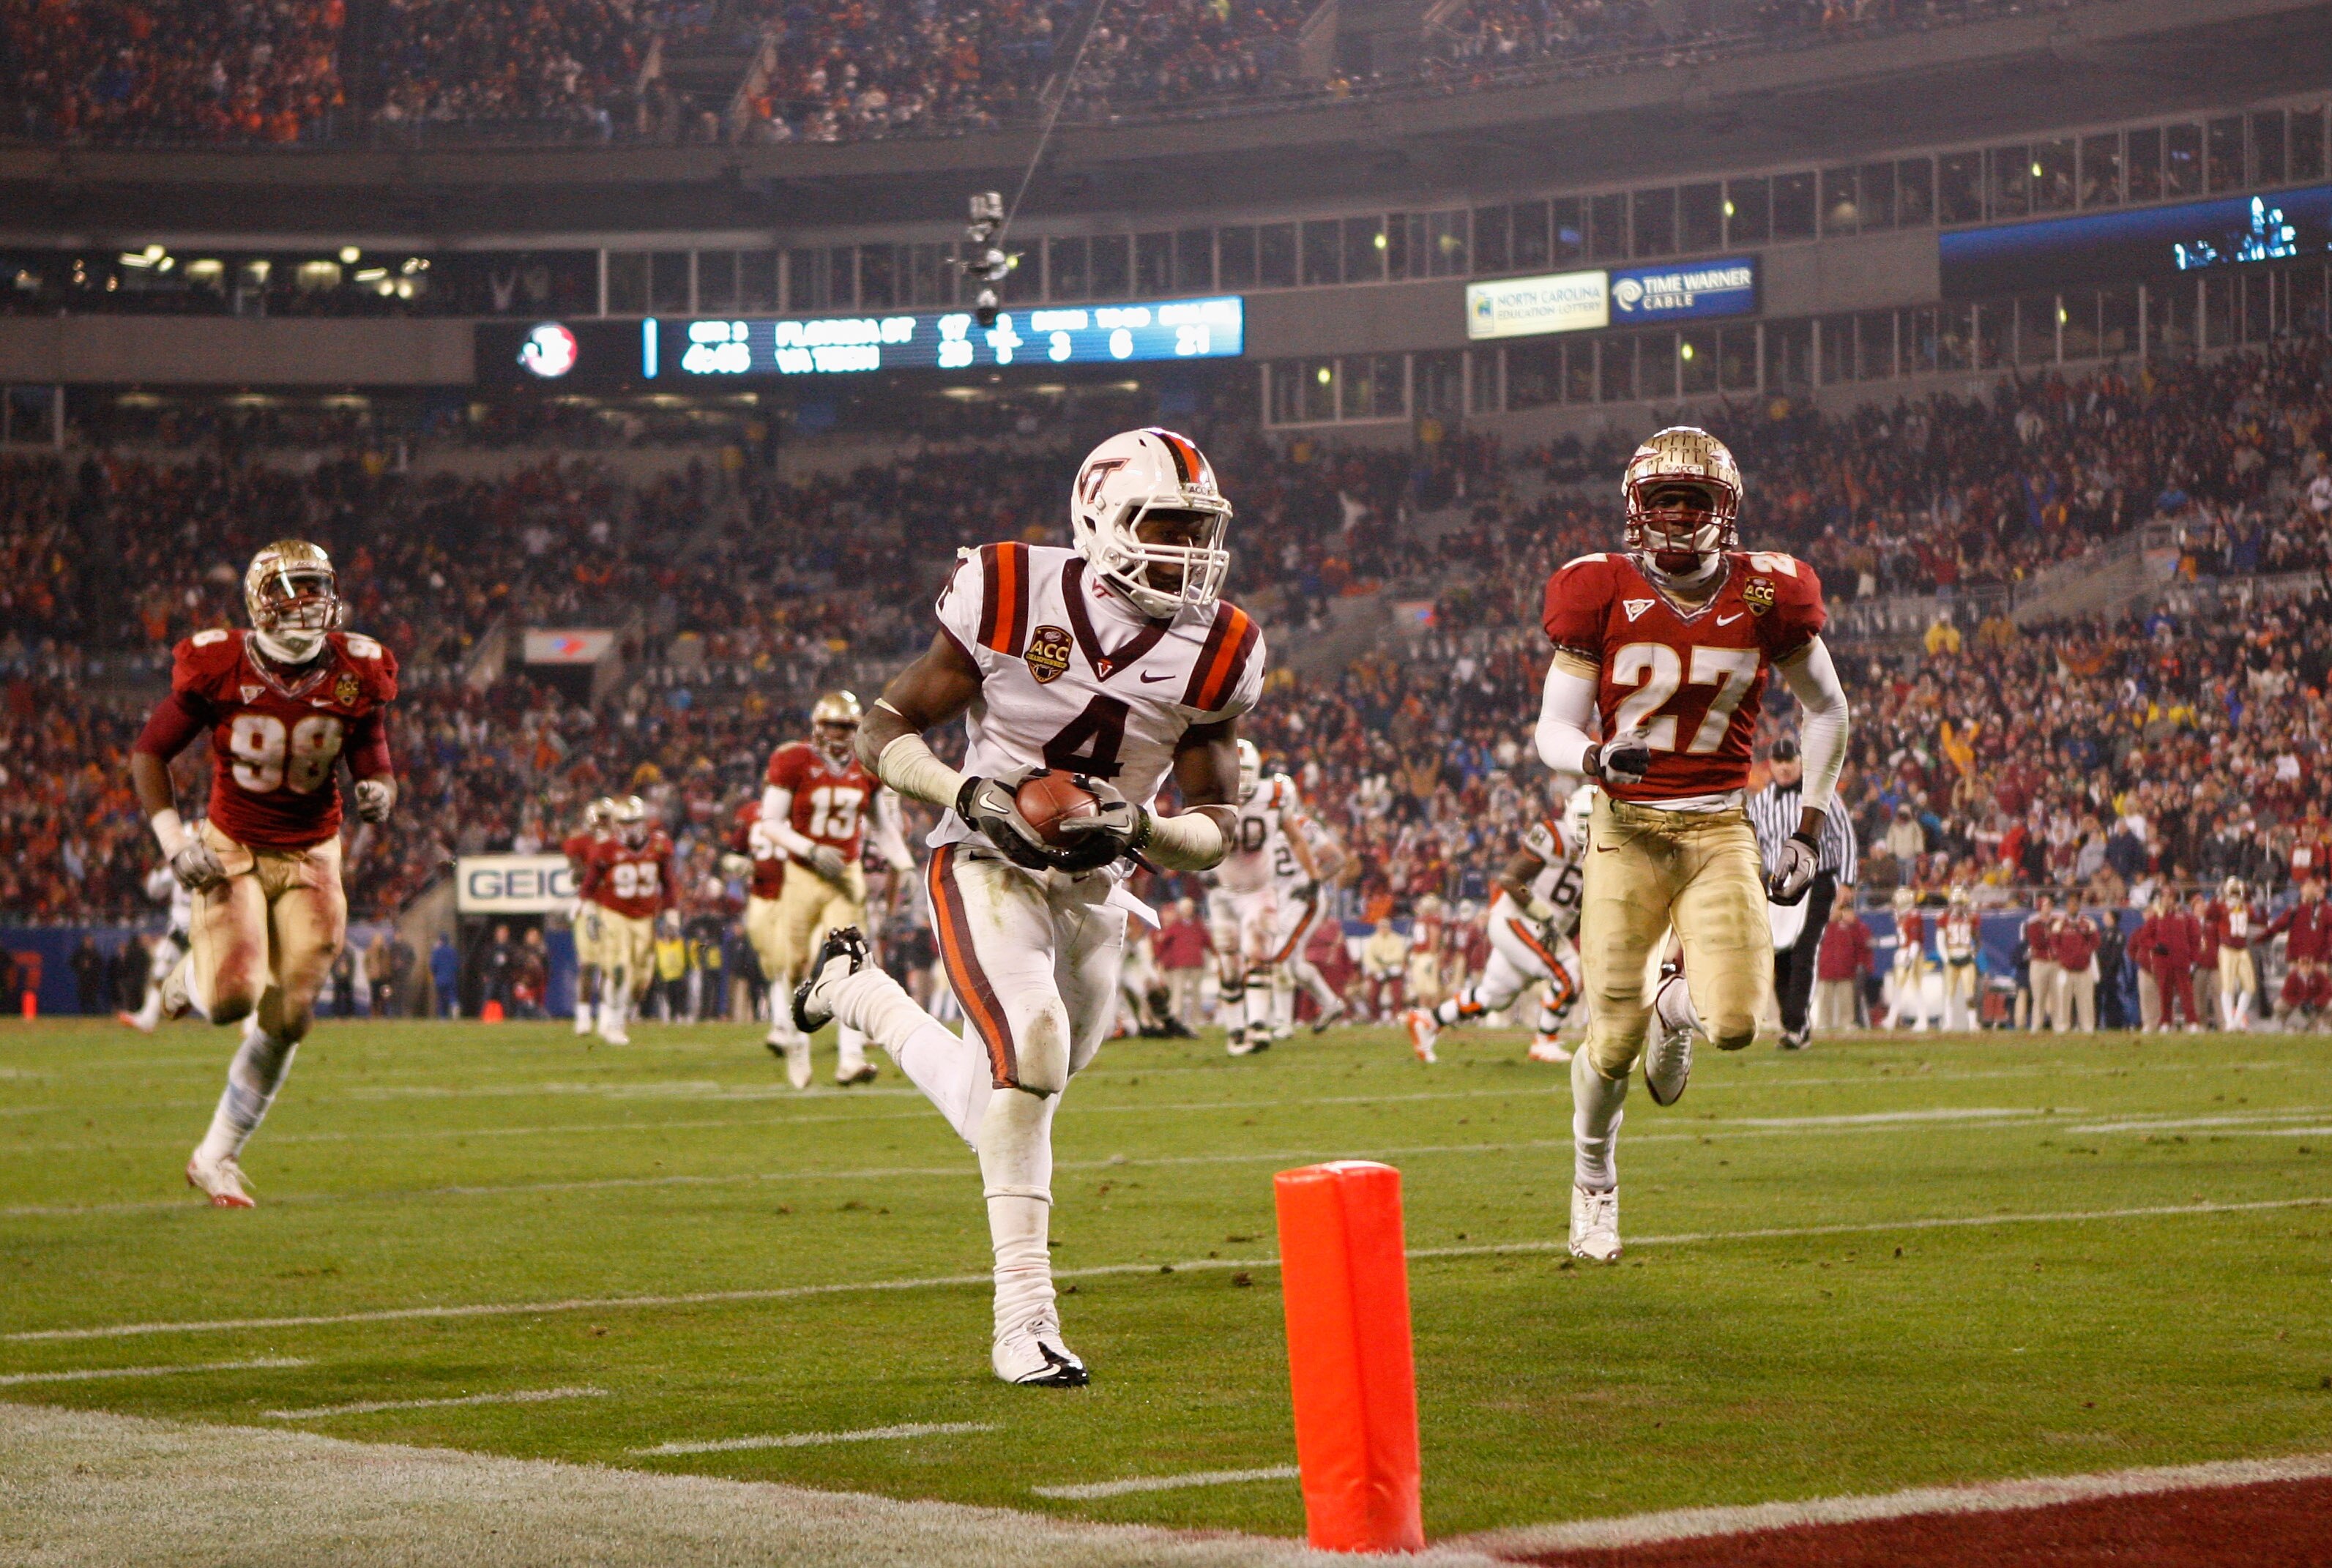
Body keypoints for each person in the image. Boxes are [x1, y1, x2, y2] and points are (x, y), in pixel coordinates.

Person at [790, 425, 1262, 1388]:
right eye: (1162, 524)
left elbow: (1217, 823)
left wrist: (1140, 826)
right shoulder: (1009, 587)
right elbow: (885, 726)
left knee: (1009, 1093)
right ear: (1099, 518)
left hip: (1099, 885)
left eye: (1195, 529)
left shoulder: (1224, 646)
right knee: (1031, 1052)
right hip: (984, 856)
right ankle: (1025, 1317)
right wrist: (969, 793)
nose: (1184, 550)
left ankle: (856, 990)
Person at [1535, 426, 1849, 1263]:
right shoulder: (1595, 588)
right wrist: (1595, 758)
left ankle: (1675, 1009)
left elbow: (1828, 710)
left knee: (1740, 1023)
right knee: (1607, 1039)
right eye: (1662, 500)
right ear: (1636, 508)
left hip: (1716, 826)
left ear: (1724, 510)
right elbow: (1552, 730)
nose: (1676, 515)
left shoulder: (1765, 593)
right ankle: (1593, 1180)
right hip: (1626, 827)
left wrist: (1810, 829)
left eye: (1693, 500)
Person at [126, 540, 398, 1207]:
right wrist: (170, 840)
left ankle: (216, 1155)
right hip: (235, 845)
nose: (309, 603)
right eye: (293, 590)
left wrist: (380, 788)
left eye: (317, 587)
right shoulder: (219, 660)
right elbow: (149, 752)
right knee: (230, 1001)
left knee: (293, 1012)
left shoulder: (357, 667)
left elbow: (370, 749)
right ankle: (186, 976)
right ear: (260, 600)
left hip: (314, 850)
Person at [757, 692, 916, 1087]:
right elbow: (770, 822)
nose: (840, 734)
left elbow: (880, 825)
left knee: (851, 960)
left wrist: (904, 863)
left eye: (847, 726)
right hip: (803, 874)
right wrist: (809, 848)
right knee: (793, 964)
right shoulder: (794, 760)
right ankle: (794, 1040)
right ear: (817, 726)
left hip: (846, 875)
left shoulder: (866, 767)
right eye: (833, 725)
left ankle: (851, 1056)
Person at [1404, 783, 1589, 1066]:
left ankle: (1428, 1021)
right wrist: (1536, 908)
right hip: (1517, 918)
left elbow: (1581, 910)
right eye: (1583, 818)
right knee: (1571, 973)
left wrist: (1561, 934)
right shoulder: (1555, 837)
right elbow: (1509, 879)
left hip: (1544, 929)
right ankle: (1545, 1040)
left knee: (1494, 996)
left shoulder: (1606, 851)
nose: (1587, 826)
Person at [1208, 739, 1338, 1056]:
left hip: (1266, 892)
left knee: (1265, 957)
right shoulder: (1209, 794)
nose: (1241, 779)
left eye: (1247, 771)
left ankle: (1263, 1025)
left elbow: (1307, 843)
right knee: (1233, 965)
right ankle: (1239, 1029)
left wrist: (1315, 878)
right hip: (1227, 891)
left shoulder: (1278, 803)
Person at [1747, 736, 1858, 1050]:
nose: (1783, 767)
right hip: (1778, 884)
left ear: (1800, 762)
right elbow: (1755, 845)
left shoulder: (1821, 795)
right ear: (1770, 765)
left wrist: (1847, 882)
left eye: (1789, 761)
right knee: (1780, 953)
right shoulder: (1762, 801)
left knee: (1804, 950)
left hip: (1817, 880)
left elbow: (1845, 836)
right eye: (1778, 762)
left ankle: (1797, 1024)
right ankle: (1792, 1024)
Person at [585, 796, 673, 1045]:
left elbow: (669, 884)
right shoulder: (606, 848)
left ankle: (610, 1014)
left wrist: (671, 912)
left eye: (633, 821)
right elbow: (589, 886)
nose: (628, 827)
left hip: (644, 918)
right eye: (623, 822)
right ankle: (614, 1023)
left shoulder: (658, 846)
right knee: (620, 968)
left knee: (640, 980)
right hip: (615, 914)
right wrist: (591, 912)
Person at [727, 792, 790, 1045]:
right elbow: (735, 849)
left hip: (793, 895)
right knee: (770, 962)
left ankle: (782, 1024)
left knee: (784, 963)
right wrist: (736, 862)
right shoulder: (751, 812)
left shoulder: (804, 806)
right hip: (761, 897)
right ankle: (785, 1020)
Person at [119, 854, 195, 1033]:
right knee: (160, 972)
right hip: (179, 930)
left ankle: (252, 1020)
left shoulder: (209, 864)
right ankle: (148, 1018)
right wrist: (158, 871)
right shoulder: (175, 869)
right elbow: (152, 891)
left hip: (204, 927)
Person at [562, 798, 615, 1037]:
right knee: (587, 964)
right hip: (590, 905)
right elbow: (576, 875)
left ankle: (605, 1018)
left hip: (612, 908)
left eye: (607, 818)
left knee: (609, 966)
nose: (604, 823)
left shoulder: (618, 844)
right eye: (601, 818)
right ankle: (583, 1015)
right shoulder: (581, 843)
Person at [2206, 877, 2260, 1031]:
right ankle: (2229, 1022)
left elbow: (2257, 917)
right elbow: (2210, 915)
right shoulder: (2221, 907)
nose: (2235, 893)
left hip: (2242, 949)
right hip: (2227, 949)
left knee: (2249, 987)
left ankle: (2237, 1020)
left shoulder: (2247, 908)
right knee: (2227, 987)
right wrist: (2217, 899)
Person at [1153, 896, 1210, 1034]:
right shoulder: (1175, 926)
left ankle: (1197, 1017)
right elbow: (1164, 943)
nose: (1188, 911)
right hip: (1180, 963)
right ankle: (1176, 1017)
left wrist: (1216, 953)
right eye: (1185, 909)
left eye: (1190, 908)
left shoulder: (1198, 924)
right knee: (1178, 992)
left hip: (1196, 962)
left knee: (1196, 992)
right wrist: (1157, 957)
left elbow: (1207, 940)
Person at [1814, 902, 1871, 1031]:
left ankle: (1847, 1022)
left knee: (1846, 999)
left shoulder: (1851, 927)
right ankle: (1824, 1022)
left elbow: (1861, 943)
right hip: (1825, 967)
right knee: (1824, 998)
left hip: (1845, 968)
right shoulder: (1822, 926)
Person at [1887, 887, 1934, 1030]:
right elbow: (1900, 939)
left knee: (1916, 988)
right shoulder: (1903, 917)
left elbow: (1915, 941)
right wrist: (1879, 943)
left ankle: (1923, 1019)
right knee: (1898, 988)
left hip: (1913, 955)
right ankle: (1891, 1018)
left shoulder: (1914, 916)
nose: (1894, 906)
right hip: (1904, 954)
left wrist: (1910, 957)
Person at [1936, 884, 1981, 1031]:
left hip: (1966, 957)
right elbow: (1940, 940)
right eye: (1956, 904)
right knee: (1949, 994)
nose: (1958, 907)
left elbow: (1978, 940)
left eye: (1961, 904)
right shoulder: (1944, 918)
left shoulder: (1972, 919)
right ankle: (1948, 1023)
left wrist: (1973, 953)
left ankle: (1973, 1023)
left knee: (1969, 994)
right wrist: (1945, 957)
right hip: (1952, 957)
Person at [2054, 896, 2101, 1033]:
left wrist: (2086, 952)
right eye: (2070, 905)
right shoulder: (2060, 924)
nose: (2073, 907)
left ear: (2079, 907)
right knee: (2063, 999)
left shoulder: (2087, 922)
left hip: (2083, 968)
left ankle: (2087, 1027)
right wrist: (2062, 957)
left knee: (2086, 1000)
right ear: (2067, 907)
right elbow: (2054, 943)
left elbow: (2096, 942)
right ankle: (2062, 1027)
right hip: (2065, 969)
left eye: (2075, 905)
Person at [2022, 895, 2061, 1031]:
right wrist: (2052, 940)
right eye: (2045, 905)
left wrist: (2053, 941)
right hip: (2040, 962)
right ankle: (2036, 1025)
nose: (2048, 908)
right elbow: (2037, 942)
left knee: (2057, 995)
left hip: (2055, 963)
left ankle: (2058, 1025)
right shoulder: (2033, 924)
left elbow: (2059, 941)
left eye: (2050, 905)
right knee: (2039, 996)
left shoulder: (2057, 922)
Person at [1360, 918, 1409, 1021]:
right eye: (1381, 927)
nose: (1383, 929)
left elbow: (1399, 955)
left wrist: (1385, 961)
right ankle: (1375, 1017)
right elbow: (1368, 958)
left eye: (1385, 927)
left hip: (1393, 970)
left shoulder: (1396, 939)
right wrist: (1378, 968)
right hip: (1378, 971)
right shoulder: (1373, 940)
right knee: (1373, 994)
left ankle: (1396, 1016)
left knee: (1397, 994)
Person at [430, 932, 460, 1018]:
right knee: (452, 996)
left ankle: (443, 1017)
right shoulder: (453, 951)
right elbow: (457, 965)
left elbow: (433, 966)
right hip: (451, 978)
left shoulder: (436, 952)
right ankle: (454, 1006)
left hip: (440, 979)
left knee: (441, 999)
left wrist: (435, 975)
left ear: (440, 941)